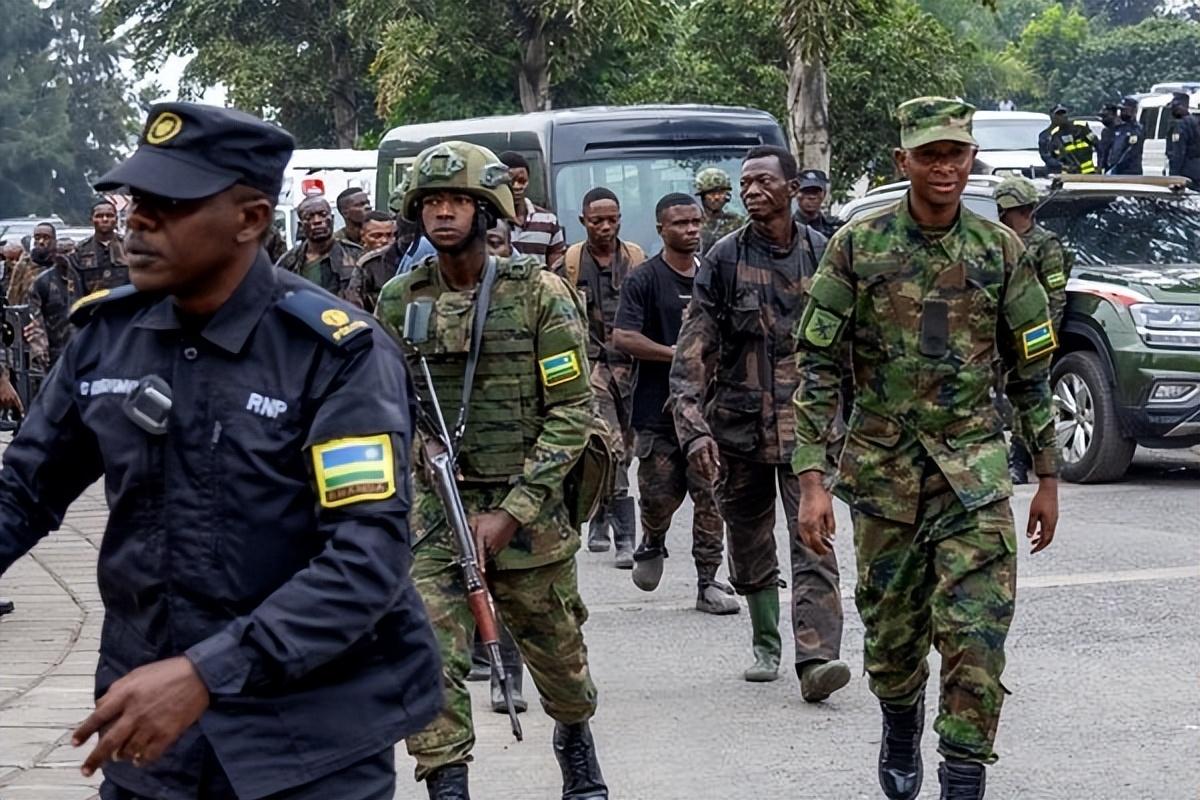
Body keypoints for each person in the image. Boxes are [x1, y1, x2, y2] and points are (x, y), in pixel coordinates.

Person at [0, 101, 441, 799]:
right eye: (136, 199)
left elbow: (366, 559)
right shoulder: (107, 336)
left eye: (168, 204)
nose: (138, 220)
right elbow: (22, 493)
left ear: (250, 219)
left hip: (309, 738)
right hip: (153, 738)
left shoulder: (335, 356)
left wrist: (206, 672)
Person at [793, 97, 1060, 800]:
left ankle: (963, 774)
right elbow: (816, 364)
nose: (945, 167)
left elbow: (1032, 372)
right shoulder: (857, 245)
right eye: (931, 154)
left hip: (974, 475)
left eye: (957, 153)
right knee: (894, 631)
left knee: (977, 633)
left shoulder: (1000, 251)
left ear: (973, 159)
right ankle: (900, 720)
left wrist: (1050, 476)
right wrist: (812, 479)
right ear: (902, 161)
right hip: (883, 475)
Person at [375, 141, 607, 800]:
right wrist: (417, 449)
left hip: (528, 511)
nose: (443, 215)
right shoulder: (399, 299)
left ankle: (575, 740)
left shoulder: (540, 296)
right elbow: (384, 403)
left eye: (457, 202)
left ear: (488, 210)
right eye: (431, 204)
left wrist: (512, 512)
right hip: (435, 514)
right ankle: (446, 781)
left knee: (557, 654)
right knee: (428, 652)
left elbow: (570, 414)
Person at [670, 145, 850, 695]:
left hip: (807, 431)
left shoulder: (825, 255)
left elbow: (854, 346)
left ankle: (816, 660)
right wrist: (692, 424)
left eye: (763, 182)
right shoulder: (723, 259)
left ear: (792, 189)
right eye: (745, 182)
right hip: (738, 428)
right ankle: (766, 640)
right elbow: (692, 346)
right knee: (749, 542)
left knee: (812, 539)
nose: (751, 190)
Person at [613, 193, 737, 616]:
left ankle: (708, 582)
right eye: (681, 224)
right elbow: (623, 337)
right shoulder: (644, 279)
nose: (691, 230)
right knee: (658, 497)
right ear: (661, 229)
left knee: (710, 495)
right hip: (656, 413)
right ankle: (653, 536)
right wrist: (679, 353)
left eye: (696, 222)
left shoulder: (714, 276)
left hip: (707, 414)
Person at [552, 187, 645, 565]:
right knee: (611, 447)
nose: (605, 227)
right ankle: (626, 539)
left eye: (612, 219)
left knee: (628, 446)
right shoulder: (569, 265)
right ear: (583, 222)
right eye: (596, 221)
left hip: (632, 368)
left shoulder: (636, 261)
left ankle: (600, 516)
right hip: (591, 368)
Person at [994, 175, 1072, 485]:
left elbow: (1055, 295)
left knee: (1028, 398)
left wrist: (1042, 339)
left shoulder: (1045, 243)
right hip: (999, 332)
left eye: (1008, 210)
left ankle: (1021, 459)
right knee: (997, 397)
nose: (1003, 215)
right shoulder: (998, 240)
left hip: (1032, 333)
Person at [276, 195, 363, 298]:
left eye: (323, 214)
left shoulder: (356, 256)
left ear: (332, 218)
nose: (317, 221)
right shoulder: (288, 262)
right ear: (301, 225)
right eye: (309, 217)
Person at [27, 226, 88, 368]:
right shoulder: (42, 282)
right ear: (54, 255)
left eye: (69, 251)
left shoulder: (85, 278)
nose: (65, 256)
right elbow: (35, 318)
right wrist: (40, 349)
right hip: (55, 352)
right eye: (60, 252)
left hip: (85, 348)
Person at [498, 150, 565, 265]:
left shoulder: (548, 221)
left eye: (521, 181)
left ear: (528, 181)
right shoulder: (490, 221)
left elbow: (556, 268)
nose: (517, 187)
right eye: (510, 182)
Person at [346, 211, 400, 313]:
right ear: (363, 236)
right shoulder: (357, 262)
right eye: (376, 236)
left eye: (389, 235)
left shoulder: (400, 260)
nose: (384, 240)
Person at [77, 199, 129, 291]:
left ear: (116, 220)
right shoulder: (80, 251)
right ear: (91, 220)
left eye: (109, 216)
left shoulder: (129, 247)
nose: (105, 219)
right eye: (99, 216)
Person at [694, 167, 744, 253]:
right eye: (712, 193)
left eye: (721, 193)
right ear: (702, 196)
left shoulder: (738, 222)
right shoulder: (693, 223)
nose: (717, 197)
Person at [1043, 105, 1098, 175]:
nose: (1062, 116)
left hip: (1088, 172)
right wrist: (1064, 165)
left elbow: (1097, 145)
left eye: (1063, 113)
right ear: (1053, 117)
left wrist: (1100, 165)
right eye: (1058, 114)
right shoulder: (1055, 135)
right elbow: (1053, 155)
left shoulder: (1081, 128)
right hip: (1069, 174)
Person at [1166, 92, 1200, 186]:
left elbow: (1178, 152)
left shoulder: (1180, 124)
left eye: (1175, 107)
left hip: (1185, 173)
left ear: (1182, 106)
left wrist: (1173, 175)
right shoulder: (1195, 121)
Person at [794, 169, 837, 238]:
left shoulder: (832, 227)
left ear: (824, 194)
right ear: (796, 194)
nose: (811, 197)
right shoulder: (788, 227)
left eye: (815, 192)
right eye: (806, 191)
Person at [1108, 97, 1145, 175]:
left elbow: (1130, 151)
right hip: (1116, 171)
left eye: (1125, 110)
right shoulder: (1118, 128)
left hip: (1130, 171)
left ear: (1133, 111)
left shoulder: (1136, 130)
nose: (1122, 112)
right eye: (1121, 110)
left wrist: (1117, 167)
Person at [1096, 103, 1118, 173]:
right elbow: (1103, 152)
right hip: (1107, 170)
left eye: (1105, 116)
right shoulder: (1105, 131)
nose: (1102, 119)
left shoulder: (1121, 130)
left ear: (1112, 114)